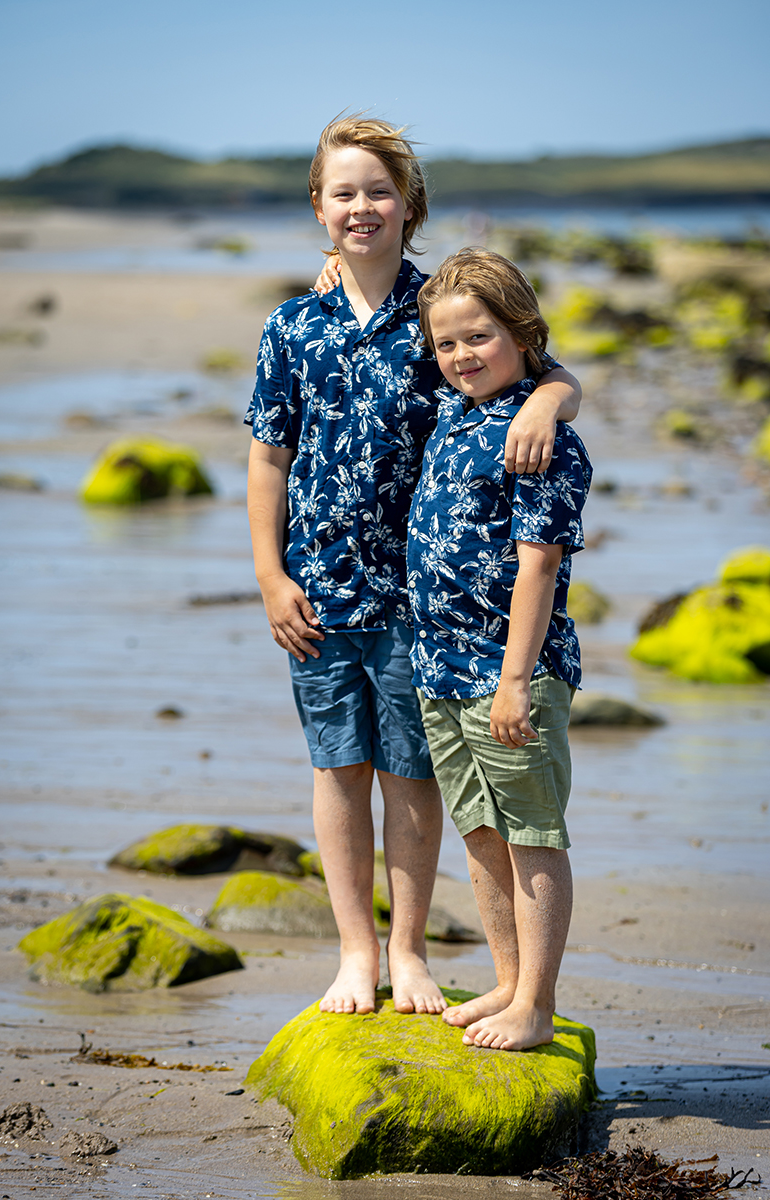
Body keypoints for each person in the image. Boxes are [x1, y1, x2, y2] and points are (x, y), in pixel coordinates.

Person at [245, 116, 582, 1019]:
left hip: (416, 605)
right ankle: (355, 952)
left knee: (412, 776)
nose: (362, 207)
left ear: (409, 206)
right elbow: (268, 458)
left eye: (378, 191)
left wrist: (554, 396)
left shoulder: (435, 316)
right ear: (318, 208)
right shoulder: (292, 325)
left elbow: (531, 372)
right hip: (315, 594)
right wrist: (271, 577)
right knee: (335, 769)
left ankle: (410, 951)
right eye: (343, 192)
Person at [409, 248, 592, 1051]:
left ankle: (538, 1006)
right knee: (479, 828)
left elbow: (539, 564)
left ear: (521, 334)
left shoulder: (537, 436)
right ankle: (508, 981)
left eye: (479, 337)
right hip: (438, 668)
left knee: (531, 832)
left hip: (506, 672)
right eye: (447, 344)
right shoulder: (454, 410)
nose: (461, 356)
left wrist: (515, 680)